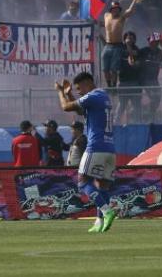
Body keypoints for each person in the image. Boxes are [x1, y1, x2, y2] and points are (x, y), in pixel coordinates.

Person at [56, 72, 117, 232]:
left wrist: (60, 92)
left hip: (95, 146)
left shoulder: (93, 96)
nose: (79, 92)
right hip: (110, 148)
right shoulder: (103, 96)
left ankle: (106, 211)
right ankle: (99, 222)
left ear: (87, 83)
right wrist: (69, 94)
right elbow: (81, 112)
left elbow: (66, 107)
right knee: (102, 185)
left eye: (79, 89)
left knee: (83, 181)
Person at [102, 0, 145, 87]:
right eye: (114, 9)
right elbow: (104, 25)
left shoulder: (122, 17)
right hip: (108, 44)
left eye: (117, 9)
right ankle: (109, 85)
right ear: (111, 9)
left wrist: (134, 0)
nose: (115, 10)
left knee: (113, 68)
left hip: (117, 45)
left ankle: (113, 85)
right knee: (105, 68)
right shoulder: (106, 16)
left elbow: (130, 11)